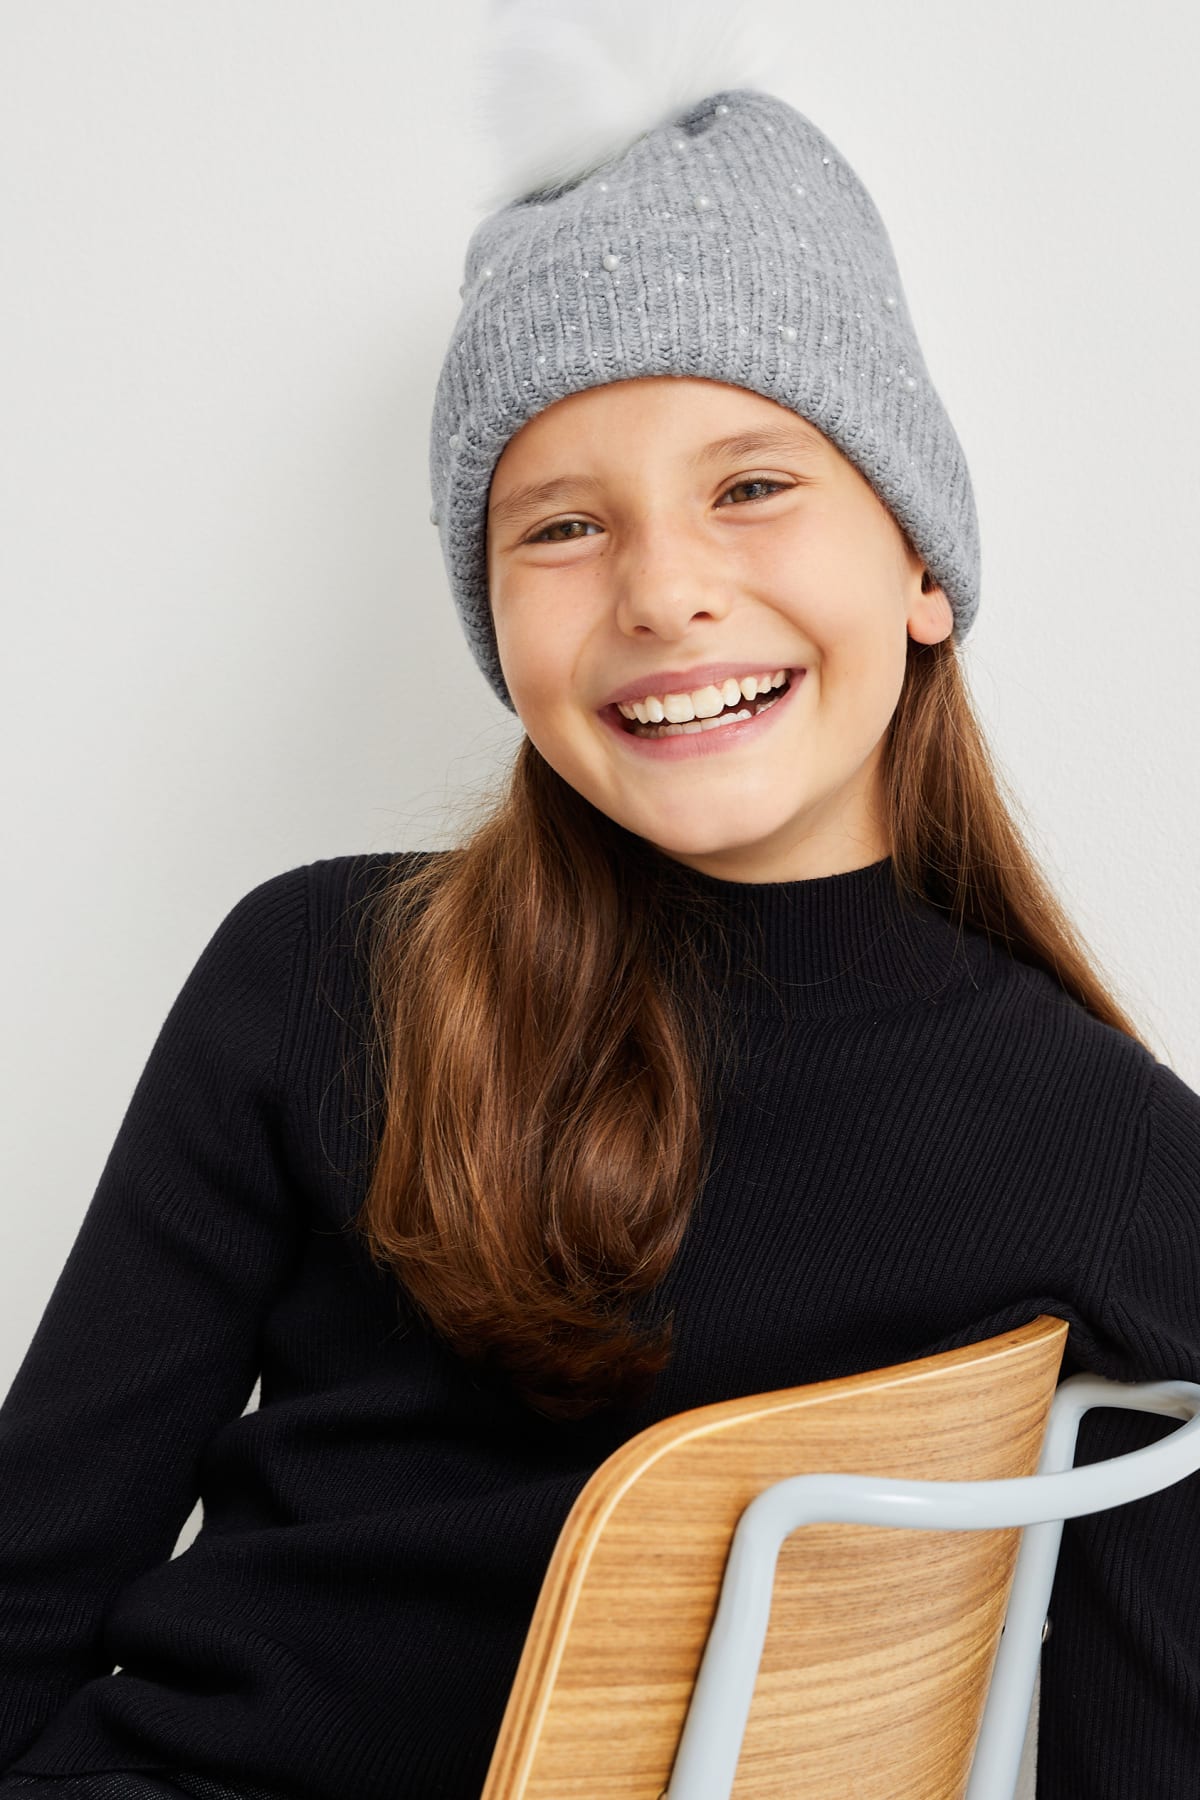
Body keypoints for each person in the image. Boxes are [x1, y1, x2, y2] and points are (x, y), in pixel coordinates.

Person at [2, 13, 1198, 1800]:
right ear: (498, 631)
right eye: (558, 527)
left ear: (926, 568)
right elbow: (31, 1570)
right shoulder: (322, 977)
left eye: (754, 486)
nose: (663, 592)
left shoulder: (1120, 1163)